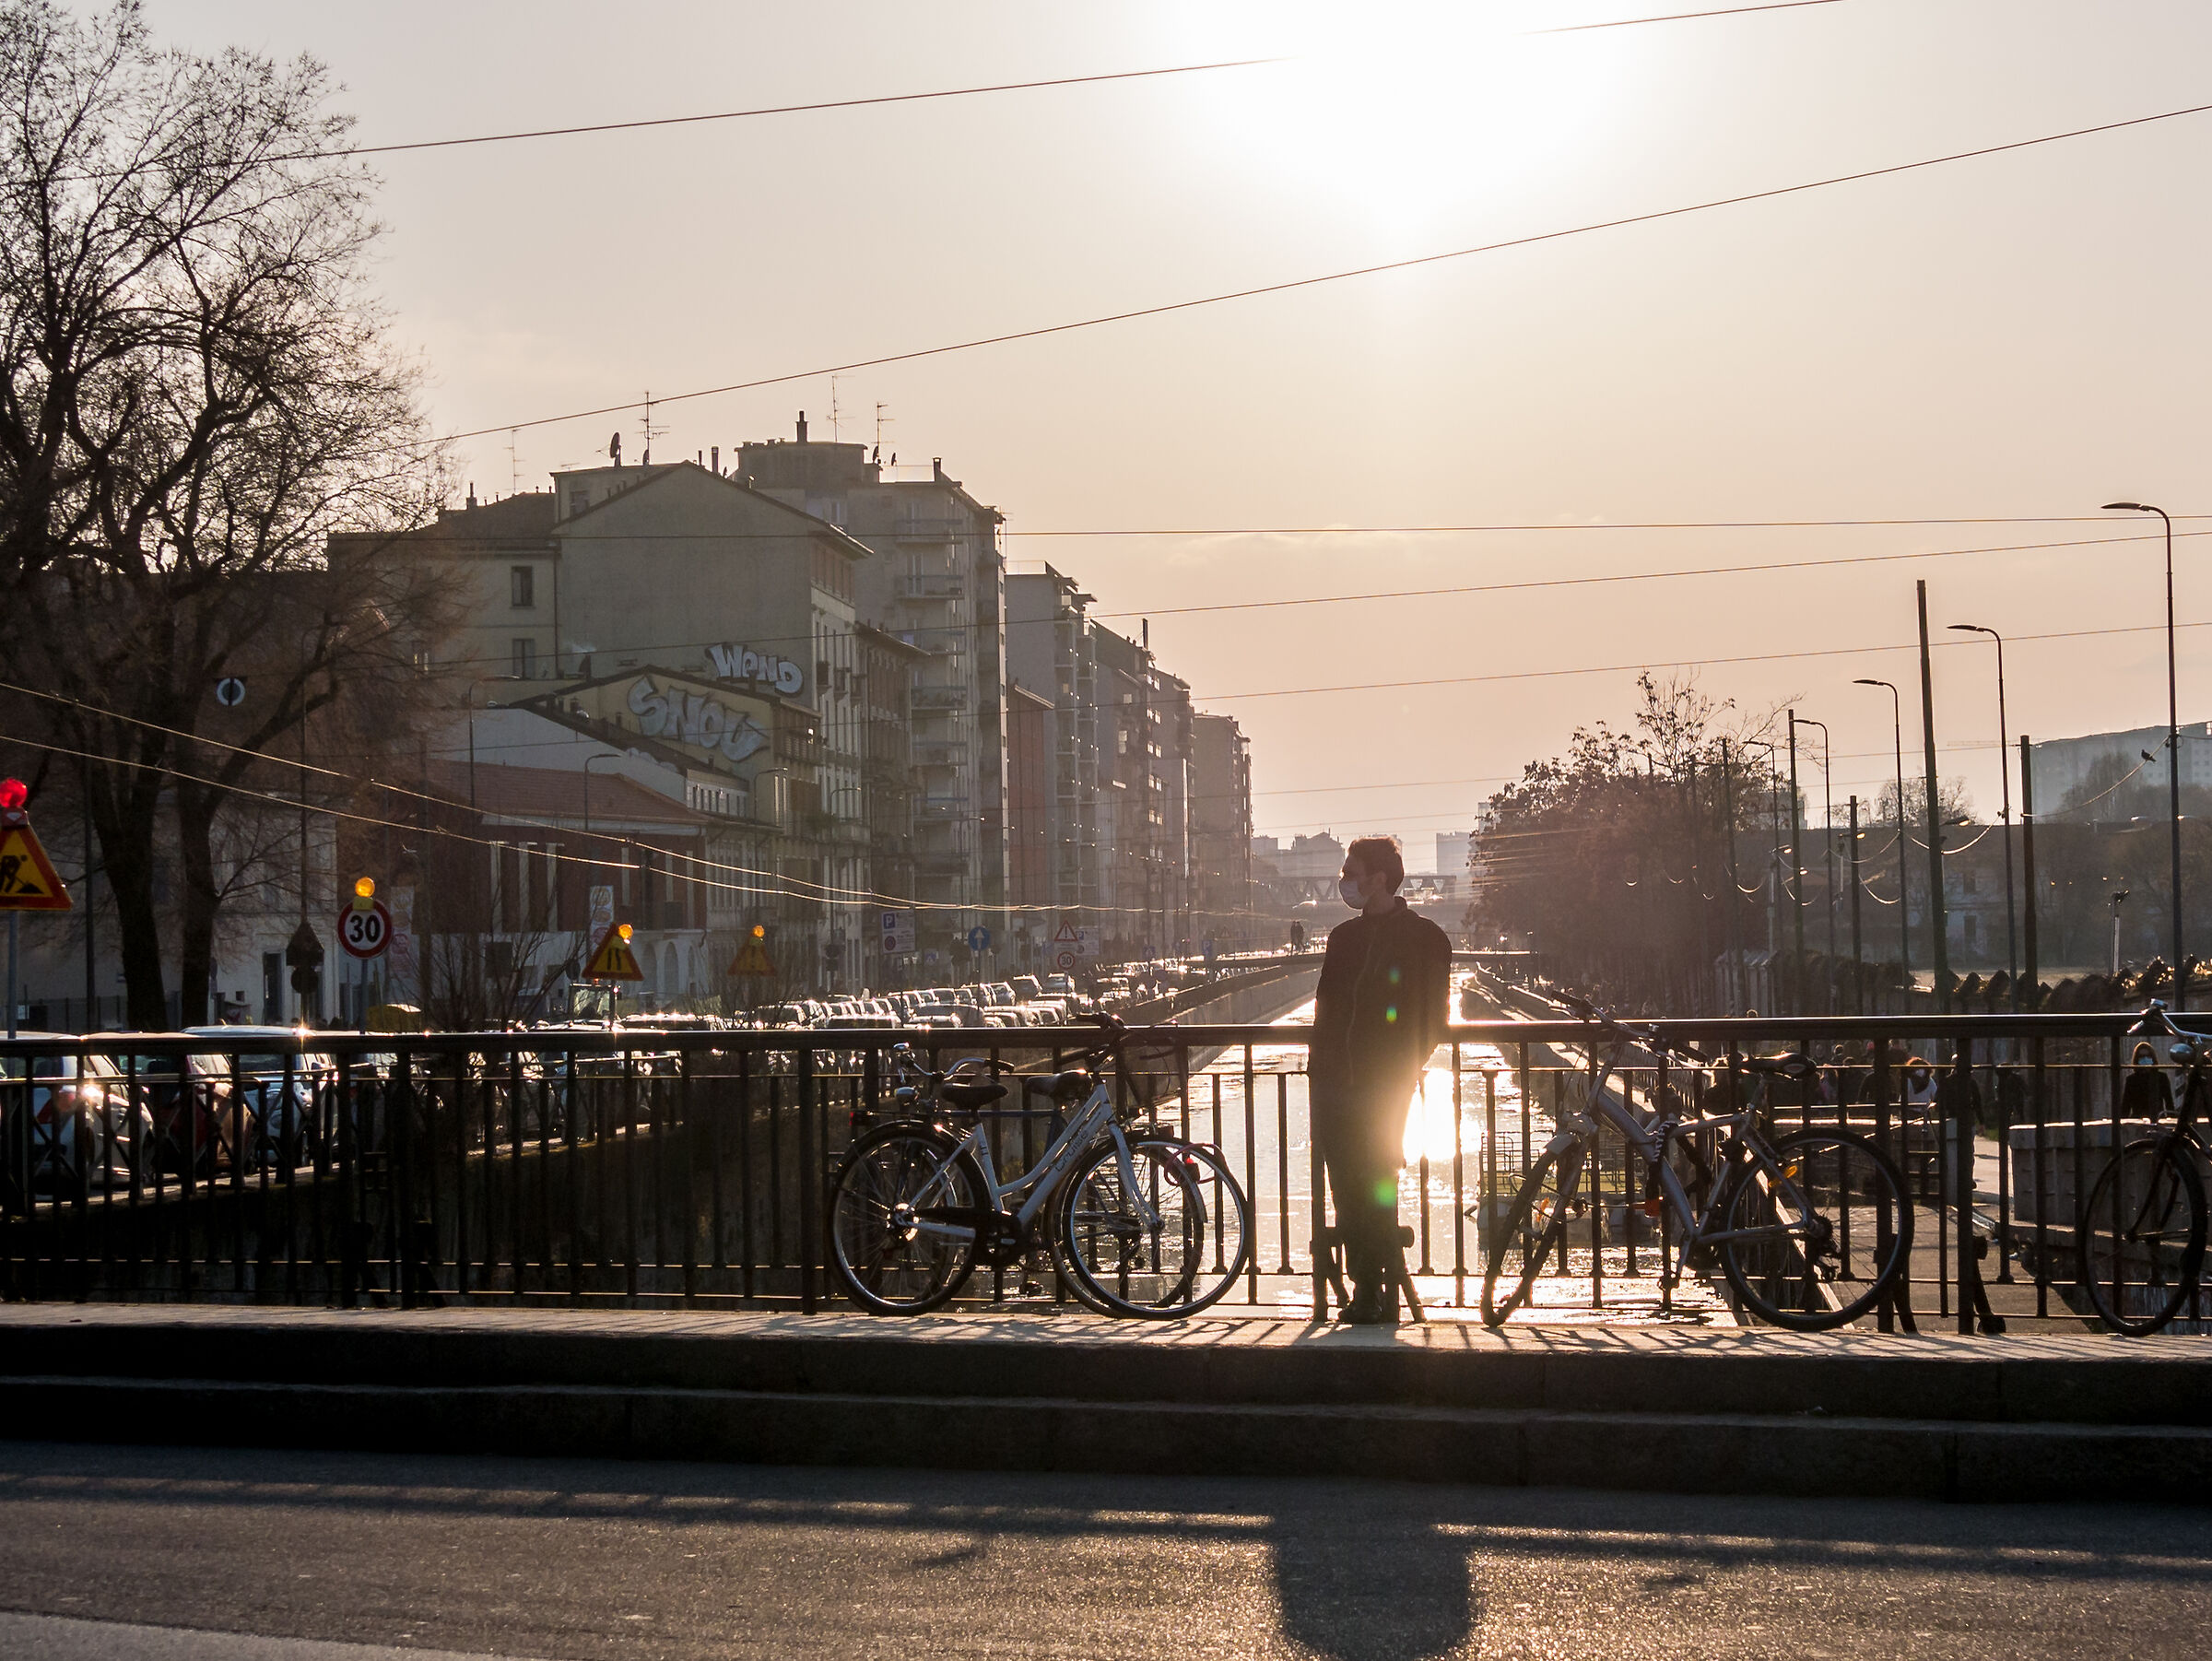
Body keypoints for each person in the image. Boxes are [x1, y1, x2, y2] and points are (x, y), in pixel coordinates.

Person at [1310, 834, 1452, 1324]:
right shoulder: (1342, 939)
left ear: (1380, 878)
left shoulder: (1427, 938)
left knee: (1376, 1181)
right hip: (1334, 1085)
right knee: (1347, 1189)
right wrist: (1321, 1073)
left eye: (1352, 873)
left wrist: (1400, 1068)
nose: (1345, 882)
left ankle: (1373, 1290)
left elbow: (1435, 1019)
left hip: (1386, 1087)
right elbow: (1325, 1013)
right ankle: (1367, 1287)